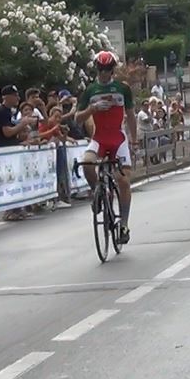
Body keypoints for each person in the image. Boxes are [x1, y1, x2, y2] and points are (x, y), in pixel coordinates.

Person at [75, 51, 138, 244]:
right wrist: (91, 110)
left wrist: (134, 140)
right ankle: (99, 193)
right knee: (86, 164)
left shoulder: (122, 88)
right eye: (101, 69)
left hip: (118, 139)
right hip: (99, 138)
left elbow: (131, 115)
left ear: (113, 70)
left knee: (124, 182)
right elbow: (77, 119)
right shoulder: (90, 90)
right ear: (97, 69)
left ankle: (124, 225)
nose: (104, 73)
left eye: (108, 70)